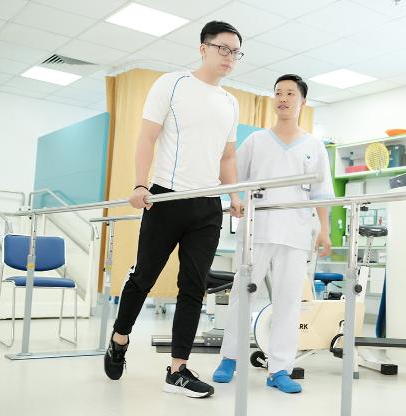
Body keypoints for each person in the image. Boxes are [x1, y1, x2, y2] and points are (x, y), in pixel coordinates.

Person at [103, 21, 245, 399]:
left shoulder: (231, 103)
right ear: (203, 48)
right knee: (144, 277)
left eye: (236, 52)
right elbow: (147, 136)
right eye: (223, 48)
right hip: (166, 198)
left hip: (208, 205)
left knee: (193, 286)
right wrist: (140, 184)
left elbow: (227, 157)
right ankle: (119, 338)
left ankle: (178, 369)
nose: (229, 57)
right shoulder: (172, 84)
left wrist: (233, 195)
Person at [212, 74, 335, 394]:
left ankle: (280, 369)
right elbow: (233, 174)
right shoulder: (256, 141)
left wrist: (324, 230)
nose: (283, 98)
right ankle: (229, 358)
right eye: (278, 92)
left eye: (290, 93)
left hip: (295, 233)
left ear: (302, 102)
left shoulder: (314, 146)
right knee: (242, 295)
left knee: (288, 302)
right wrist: (235, 198)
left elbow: (322, 192)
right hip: (257, 230)